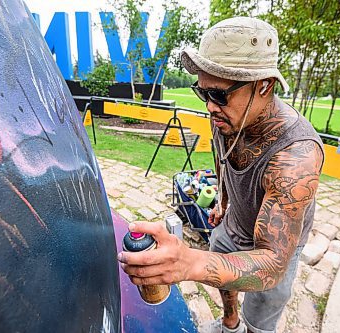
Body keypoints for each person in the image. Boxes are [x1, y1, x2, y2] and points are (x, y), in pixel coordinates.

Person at [118, 17, 324, 333]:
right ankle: (230, 323)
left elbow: (272, 263)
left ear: (264, 86)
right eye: (203, 94)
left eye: (219, 95)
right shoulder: (228, 118)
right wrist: (223, 201)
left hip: (274, 246)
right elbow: (223, 160)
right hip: (233, 222)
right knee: (224, 282)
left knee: (262, 312)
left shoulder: (296, 155)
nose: (210, 108)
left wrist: (189, 263)